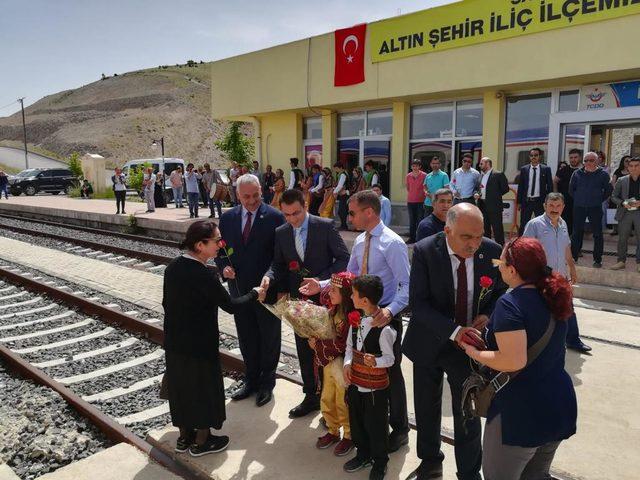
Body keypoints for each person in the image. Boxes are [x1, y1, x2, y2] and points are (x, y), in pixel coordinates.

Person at [301, 190, 411, 454]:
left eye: (352, 212)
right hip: (359, 316)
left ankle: (400, 429)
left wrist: (390, 311)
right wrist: (323, 284)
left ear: (369, 212)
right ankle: (363, 424)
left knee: (390, 373)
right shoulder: (361, 241)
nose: (348, 217)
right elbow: (347, 276)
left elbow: (406, 285)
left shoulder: (392, 243)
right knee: (361, 370)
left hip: (384, 318)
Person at [403, 203, 507, 480]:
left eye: (479, 235)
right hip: (429, 340)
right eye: (466, 237)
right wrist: (454, 330)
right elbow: (419, 304)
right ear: (447, 230)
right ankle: (430, 462)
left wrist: (487, 313)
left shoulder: (492, 251)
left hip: (469, 349)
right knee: (426, 407)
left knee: (468, 413)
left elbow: (501, 291)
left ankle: (469, 473)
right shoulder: (425, 250)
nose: (474, 244)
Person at [460, 237, 577, 480]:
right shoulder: (554, 295)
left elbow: (513, 361)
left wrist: (474, 351)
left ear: (512, 270)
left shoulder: (510, 303)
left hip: (521, 413)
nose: (498, 267)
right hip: (557, 404)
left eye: (500, 262)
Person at [163, 220, 266, 457]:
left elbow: (172, 301)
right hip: (200, 344)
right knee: (202, 390)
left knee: (182, 389)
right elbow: (231, 305)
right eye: (216, 241)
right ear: (200, 245)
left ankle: (184, 438)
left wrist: (219, 278)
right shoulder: (204, 274)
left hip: (175, 343)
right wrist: (254, 293)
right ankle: (202, 441)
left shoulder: (174, 267)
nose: (221, 244)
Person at [263, 188, 350, 417]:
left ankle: (331, 402)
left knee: (328, 352)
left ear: (306, 206)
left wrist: (321, 282)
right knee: (304, 350)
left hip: (325, 299)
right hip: (298, 303)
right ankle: (311, 395)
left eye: (296, 214)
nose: (292, 219)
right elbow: (279, 264)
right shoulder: (282, 232)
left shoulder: (325, 226)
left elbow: (344, 258)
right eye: (287, 215)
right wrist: (268, 278)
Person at [216, 174, 285, 407]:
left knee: (269, 338)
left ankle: (267, 383)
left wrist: (269, 277)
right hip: (240, 290)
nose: (253, 200)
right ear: (238, 195)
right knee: (246, 337)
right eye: (247, 196)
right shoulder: (228, 219)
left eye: (256, 195)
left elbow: (280, 257)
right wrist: (223, 267)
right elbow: (220, 251)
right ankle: (251, 380)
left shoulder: (275, 217)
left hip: (268, 291)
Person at [343, 275, 396, 480]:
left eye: (354, 294)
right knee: (357, 422)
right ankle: (363, 454)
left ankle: (380, 462)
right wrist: (348, 364)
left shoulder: (385, 330)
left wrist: (376, 361)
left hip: (375, 389)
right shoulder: (355, 321)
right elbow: (349, 347)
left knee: (377, 425)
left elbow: (390, 359)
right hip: (356, 383)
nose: (351, 296)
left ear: (364, 301)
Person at [523, 193, 591, 352]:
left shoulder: (563, 224)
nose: (555, 209)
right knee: (541, 312)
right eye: (551, 206)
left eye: (558, 206)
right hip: (543, 278)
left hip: (561, 277)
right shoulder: (534, 225)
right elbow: (526, 249)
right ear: (544, 206)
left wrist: (572, 268)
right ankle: (536, 344)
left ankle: (573, 340)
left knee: (569, 309)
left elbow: (566, 248)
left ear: (563, 207)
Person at [310, 272, 356, 457]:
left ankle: (349, 434)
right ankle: (332, 430)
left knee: (342, 400)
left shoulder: (352, 317)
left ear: (345, 294)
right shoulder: (331, 311)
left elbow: (344, 344)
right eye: (330, 289)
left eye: (334, 290)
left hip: (342, 366)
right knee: (327, 397)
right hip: (328, 364)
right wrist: (313, 340)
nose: (329, 293)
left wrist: (319, 344)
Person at [569, 151, 613, 268]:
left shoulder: (603, 174)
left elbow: (608, 190)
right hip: (579, 207)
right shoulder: (576, 173)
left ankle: (597, 260)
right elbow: (571, 190)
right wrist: (579, 199)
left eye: (591, 160)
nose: (588, 162)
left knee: (597, 234)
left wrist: (598, 200)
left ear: (597, 161)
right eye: (586, 160)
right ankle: (574, 257)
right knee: (576, 233)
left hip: (595, 207)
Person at [611, 156, 640, 273]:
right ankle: (621, 261)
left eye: (636, 165)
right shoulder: (621, 180)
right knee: (622, 238)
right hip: (625, 212)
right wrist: (623, 203)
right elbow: (613, 196)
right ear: (628, 167)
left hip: (639, 212)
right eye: (631, 166)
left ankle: (639, 263)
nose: (633, 168)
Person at [517, 148, 553, 234]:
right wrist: (519, 202)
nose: (533, 157)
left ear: (539, 156)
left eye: (536, 155)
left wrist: (548, 202)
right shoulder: (524, 169)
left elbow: (550, 187)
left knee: (543, 224)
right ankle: (520, 244)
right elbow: (521, 186)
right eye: (531, 155)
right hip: (527, 201)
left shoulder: (546, 169)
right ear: (529, 157)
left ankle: (542, 244)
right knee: (524, 224)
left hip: (540, 202)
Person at [475, 157, 509, 245]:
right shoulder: (481, 175)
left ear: (487, 164)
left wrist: (494, 196)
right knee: (485, 230)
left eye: (481, 163)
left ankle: (500, 249)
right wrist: (477, 193)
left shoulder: (498, 174)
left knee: (497, 230)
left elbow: (505, 189)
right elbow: (477, 188)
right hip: (482, 206)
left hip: (495, 207)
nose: (479, 165)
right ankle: (488, 248)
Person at [554, 148, 582, 235]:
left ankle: (576, 246)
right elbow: (555, 181)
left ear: (580, 157)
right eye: (571, 157)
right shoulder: (563, 169)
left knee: (578, 224)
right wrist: (556, 195)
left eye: (575, 157)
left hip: (580, 202)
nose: (573, 159)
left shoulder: (584, 170)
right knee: (565, 224)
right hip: (565, 201)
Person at [406, 159, 427, 244]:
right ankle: (412, 238)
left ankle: (419, 238)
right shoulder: (408, 176)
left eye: (417, 166)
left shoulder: (424, 175)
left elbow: (425, 187)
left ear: (420, 166)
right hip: (410, 201)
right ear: (411, 167)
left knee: (420, 220)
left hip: (421, 201)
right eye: (413, 166)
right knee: (412, 221)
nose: (415, 167)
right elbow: (408, 188)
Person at [333, 163, 350, 230]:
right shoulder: (342, 174)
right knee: (342, 211)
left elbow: (340, 185)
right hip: (343, 194)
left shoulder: (343, 174)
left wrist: (334, 192)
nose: (335, 170)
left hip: (345, 194)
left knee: (342, 211)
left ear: (340, 168)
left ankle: (344, 226)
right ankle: (343, 225)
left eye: (336, 168)